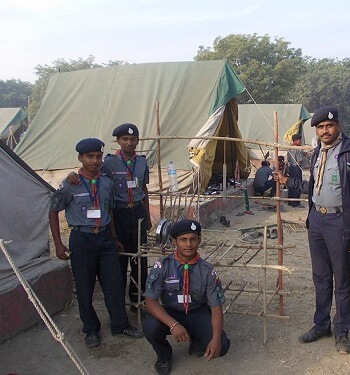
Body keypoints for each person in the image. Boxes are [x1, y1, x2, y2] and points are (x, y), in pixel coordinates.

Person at [275, 106, 350, 354]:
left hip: (340, 222)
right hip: (317, 220)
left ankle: (342, 332)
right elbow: (313, 187)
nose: (325, 131)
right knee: (321, 278)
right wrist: (288, 182)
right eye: (320, 127)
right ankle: (321, 325)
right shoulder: (318, 152)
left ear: (338, 125)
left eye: (328, 126)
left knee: (341, 280)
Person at [49, 138, 143, 348]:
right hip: (82, 239)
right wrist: (58, 244)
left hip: (104, 238)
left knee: (115, 283)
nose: (95, 160)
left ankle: (120, 325)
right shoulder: (69, 185)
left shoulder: (106, 182)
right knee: (84, 287)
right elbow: (53, 211)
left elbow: (108, 210)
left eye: (98, 156)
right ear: (80, 158)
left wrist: (114, 238)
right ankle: (91, 329)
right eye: (90, 156)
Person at [67, 123, 152, 310]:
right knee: (119, 259)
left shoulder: (143, 161)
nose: (129, 143)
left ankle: (137, 301)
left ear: (138, 140)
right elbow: (92, 178)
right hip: (118, 213)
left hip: (137, 212)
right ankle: (119, 303)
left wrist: (147, 216)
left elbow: (144, 189)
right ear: (118, 141)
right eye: (124, 139)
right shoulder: (108, 162)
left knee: (140, 259)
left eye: (133, 139)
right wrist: (71, 175)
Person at [143, 219, 230, 375]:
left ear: (199, 241)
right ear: (174, 241)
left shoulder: (208, 271)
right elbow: (150, 301)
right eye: (183, 240)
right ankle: (164, 355)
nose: (188, 244)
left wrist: (216, 339)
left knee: (222, 346)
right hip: (172, 311)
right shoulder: (162, 266)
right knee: (150, 326)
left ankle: (196, 342)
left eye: (193, 239)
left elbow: (216, 307)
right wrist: (173, 324)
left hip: (197, 312)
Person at [287, 133, 304, 207]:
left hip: (291, 167)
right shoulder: (298, 149)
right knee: (297, 184)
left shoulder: (289, 148)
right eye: (299, 140)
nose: (300, 142)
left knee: (291, 183)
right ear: (295, 140)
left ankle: (290, 201)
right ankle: (296, 203)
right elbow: (299, 160)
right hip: (296, 168)